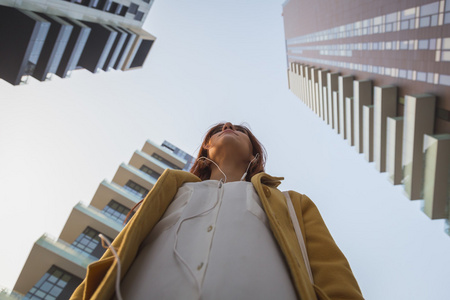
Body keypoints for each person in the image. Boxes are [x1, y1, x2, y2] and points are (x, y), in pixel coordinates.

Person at [70, 122, 364, 300]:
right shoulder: (167, 193)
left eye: (238, 130)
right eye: (218, 130)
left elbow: (334, 276)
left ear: (253, 155)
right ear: (205, 151)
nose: (227, 128)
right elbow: (102, 270)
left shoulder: (292, 203)